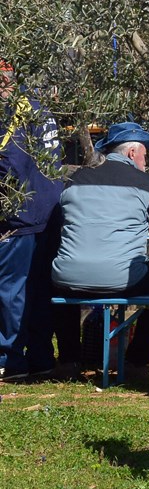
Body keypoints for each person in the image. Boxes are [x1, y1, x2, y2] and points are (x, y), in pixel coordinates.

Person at [51, 122, 149, 378]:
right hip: (122, 279)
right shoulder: (148, 185)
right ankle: (137, 362)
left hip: (68, 277)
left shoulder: (72, 181)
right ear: (132, 153)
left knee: (62, 280)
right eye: (145, 156)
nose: (146, 163)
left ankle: (69, 360)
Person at [0, 63, 63, 382]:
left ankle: (10, 359)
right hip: (49, 210)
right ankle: (40, 357)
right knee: (37, 288)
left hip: (20, 214)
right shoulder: (37, 106)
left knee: (11, 290)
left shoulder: (11, 112)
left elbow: (8, 165)